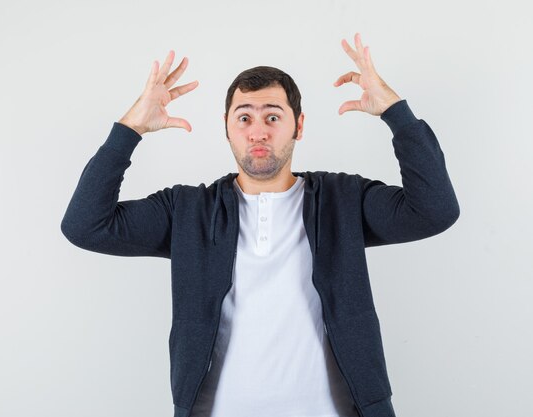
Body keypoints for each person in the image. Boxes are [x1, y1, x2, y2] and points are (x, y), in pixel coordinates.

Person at [60, 33, 460, 417]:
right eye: (244, 117)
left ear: (298, 126)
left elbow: (435, 210)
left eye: (273, 116)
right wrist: (129, 130)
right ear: (227, 127)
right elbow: (85, 225)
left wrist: (396, 112)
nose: (258, 131)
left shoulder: (343, 200)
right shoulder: (187, 210)